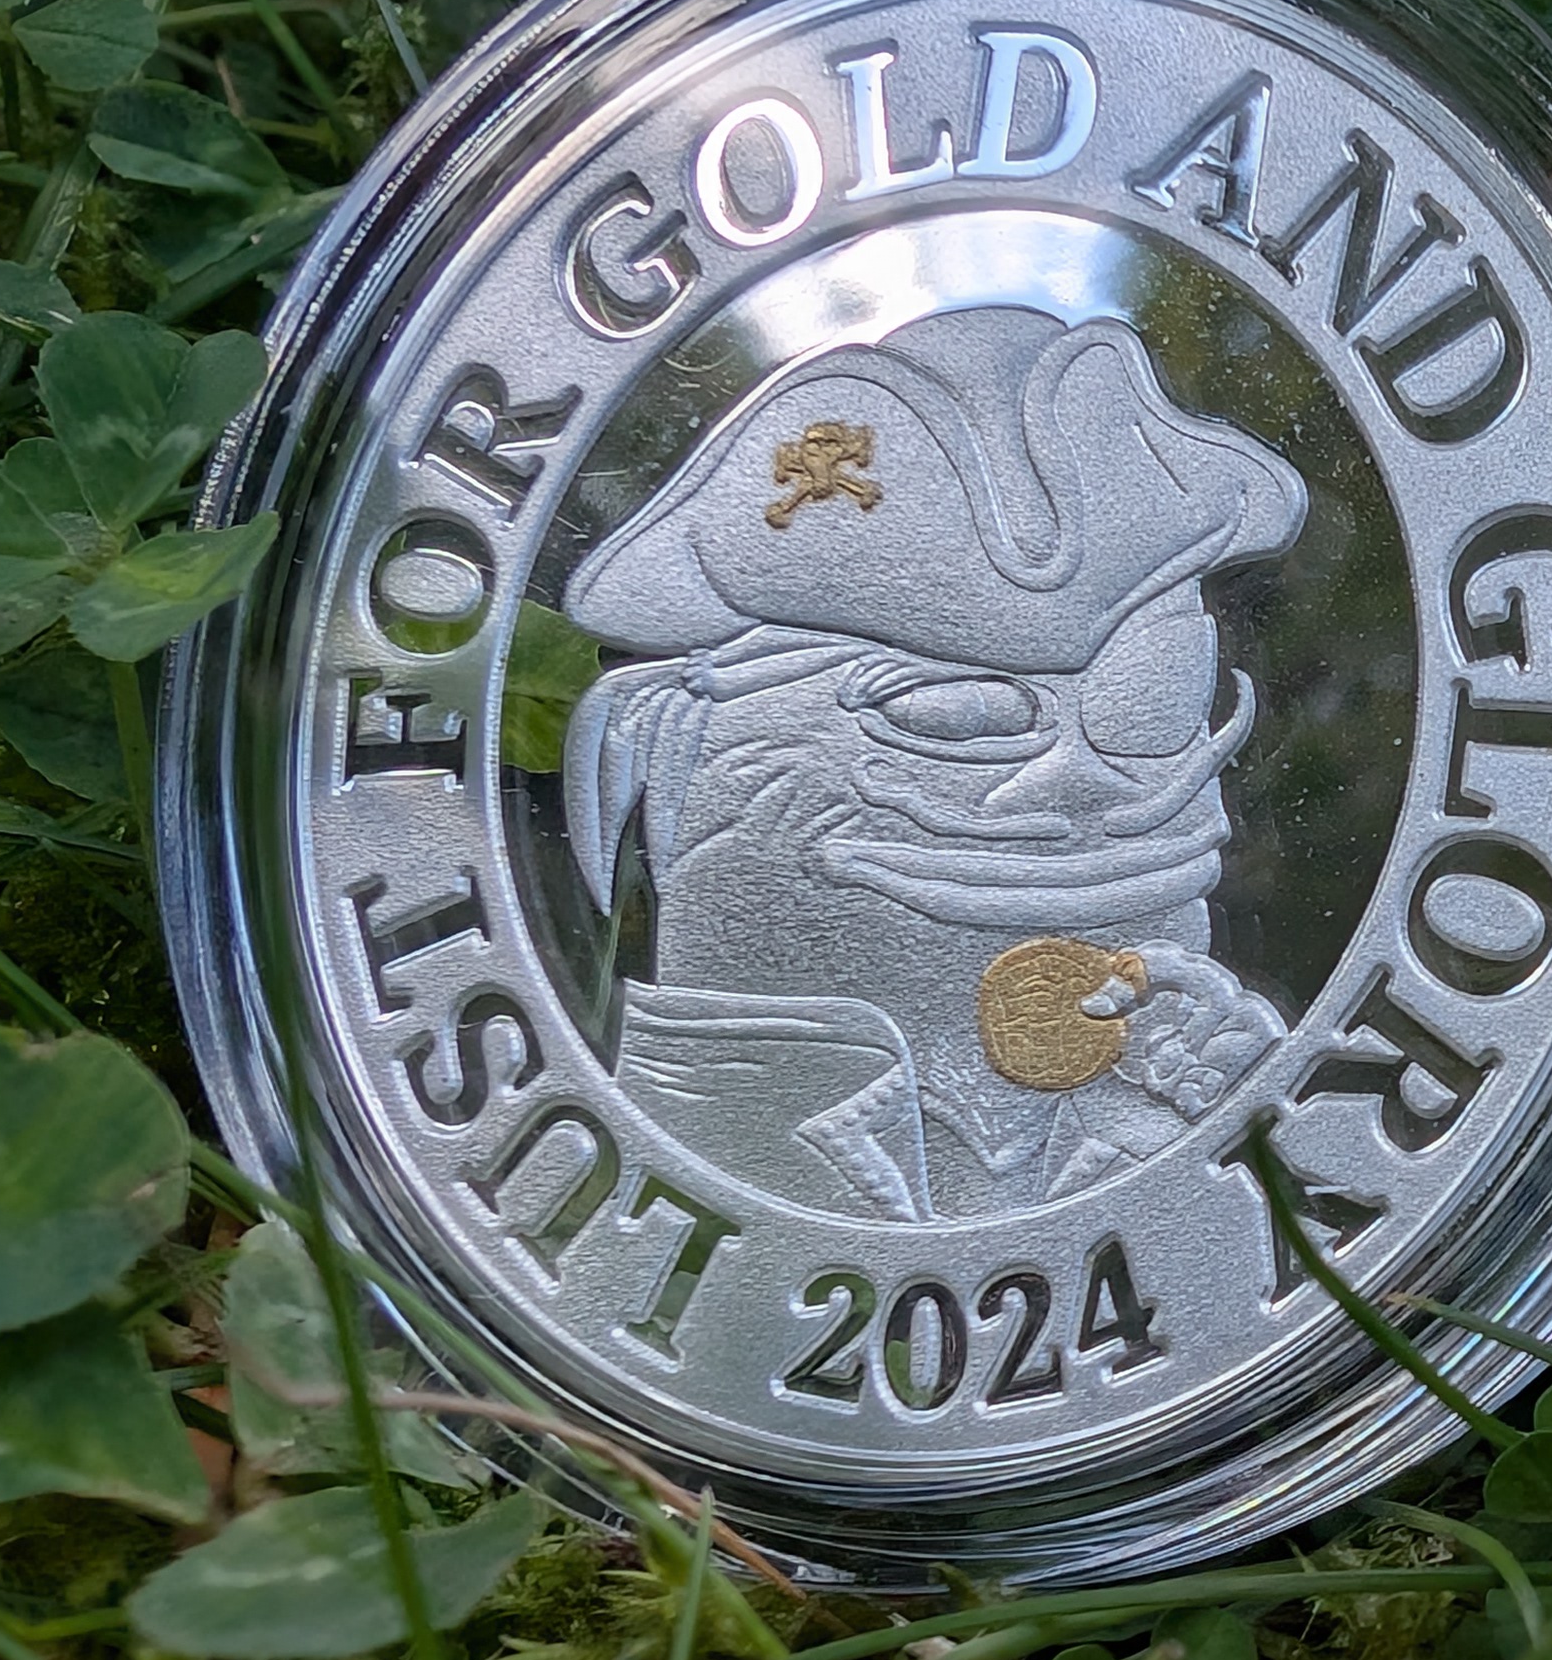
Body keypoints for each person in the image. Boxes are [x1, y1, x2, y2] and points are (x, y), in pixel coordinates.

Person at [557, 304, 1308, 1223]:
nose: (1083, 781)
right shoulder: (703, 1122)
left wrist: (1206, 1164)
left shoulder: (1158, 1085)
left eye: (1157, 688)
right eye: (960, 713)